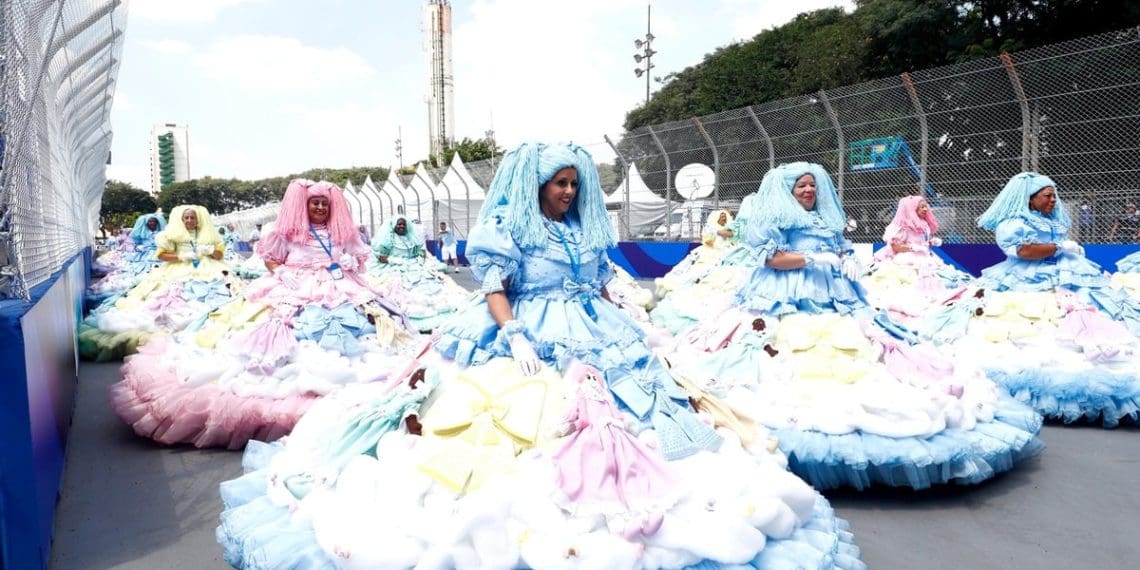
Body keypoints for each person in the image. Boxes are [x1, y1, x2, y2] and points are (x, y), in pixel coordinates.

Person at [216, 144, 864, 569]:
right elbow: (495, 286)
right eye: (560, 183)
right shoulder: (508, 229)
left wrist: (625, 308)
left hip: (594, 327)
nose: (569, 192)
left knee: (639, 407)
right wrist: (516, 334)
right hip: (526, 328)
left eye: (575, 183)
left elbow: (598, 278)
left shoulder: (581, 229)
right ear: (537, 185)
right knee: (518, 418)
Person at [666, 163, 1043, 490]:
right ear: (787, 192)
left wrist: (846, 257)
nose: (809, 190)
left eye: (812, 185)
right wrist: (813, 259)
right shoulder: (775, 219)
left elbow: (839, 246)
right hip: (785, 294)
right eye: (801, 186)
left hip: (836, 293)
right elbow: (771, 258)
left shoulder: (824, 218)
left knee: (868, 342)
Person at [110, 180, 416, 449]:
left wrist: (349, 262)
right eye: (315, 203)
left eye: (324, 203)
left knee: (372, 325)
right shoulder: (288, 233)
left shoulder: (340, 234)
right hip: (292, 285)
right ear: (305, 205)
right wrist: (281, 272)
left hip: (338, 286)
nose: (320, 208)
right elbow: (270, 259)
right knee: (266, 328)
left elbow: (359, 259)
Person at [923, 172, 1140, 426]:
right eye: (1047, 196)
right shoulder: (1013, 223)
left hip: (1066, 274)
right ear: (1030, 198)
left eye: (1054, 195)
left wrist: (1066, 249)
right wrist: (1060, 248)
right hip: (1027, 278)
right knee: (1033, 323)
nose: (1053, 200)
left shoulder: (1049, 220)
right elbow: (1023, 251)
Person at [79, 205, 234, 362]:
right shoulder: (172, 235)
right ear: (181, 219)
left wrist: (210, 251)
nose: (189, 220)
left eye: (192, 217)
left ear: (198, 219)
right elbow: (161, 255)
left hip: (209, 268)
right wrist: (181, 256)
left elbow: (220, 255)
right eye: (186, 217)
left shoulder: (209, 235)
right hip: (178, 269)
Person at [864, 195, 971, 324]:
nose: (925, 209)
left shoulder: (924, 224)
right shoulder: (903, 226)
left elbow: (923, 242)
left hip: (926, 257)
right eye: (921, 207)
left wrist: (931, 242)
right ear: (912, 209)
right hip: (908, 259)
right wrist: (912, 247)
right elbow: (895, 246)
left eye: (926, 206)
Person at [650, 203, 753, 333]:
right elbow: (708, 241)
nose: (723, 218)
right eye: (721, 216)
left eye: (725, 216)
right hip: (710, 254)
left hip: (725, 256)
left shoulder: (731, 230)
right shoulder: (712, 228)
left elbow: (733, 239)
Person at [365, 216, 468, 332]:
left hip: (415, 266)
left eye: (403, 224)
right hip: (396, 268)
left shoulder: (411, 238)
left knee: (432, 283)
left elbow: (421, 252)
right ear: (394, 225)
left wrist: (419, 260)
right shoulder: (388, 238)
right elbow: (381, 257)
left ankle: (440, 310)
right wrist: (397, 261)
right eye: (399, 224)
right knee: (403, 288)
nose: (401, 226)